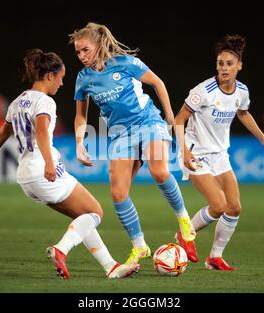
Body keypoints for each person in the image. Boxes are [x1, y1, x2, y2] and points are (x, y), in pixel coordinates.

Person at [0, 48, 139, 279]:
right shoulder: (45, 102)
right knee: (95, 212)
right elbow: (43, 131)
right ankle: (60, 249)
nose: (62, 84)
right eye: (61, 78)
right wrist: (48, 163)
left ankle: (110, 266)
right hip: (42, 169)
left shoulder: (18, 101)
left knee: (83, 217)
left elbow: (6, 128)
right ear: (50, 76)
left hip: (25, 176)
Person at [69, 22, 197, 266]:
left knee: (159, 171)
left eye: (85, 50)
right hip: (120, 134)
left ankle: (184, 220)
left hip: (147, 121)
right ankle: (139, 247)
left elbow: (157, 83)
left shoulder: (124, 63)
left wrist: (170, 117)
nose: (81, 56)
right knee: (118, 193)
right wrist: (79, 143)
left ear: (98, 45)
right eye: (77, 52)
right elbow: (81, 115)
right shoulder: (83, 78)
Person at [174, 35, 264, 270]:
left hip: (219, 154)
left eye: (229, 64)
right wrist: (184, 152)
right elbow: (178, 120)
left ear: (239, 65)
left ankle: (214, 257)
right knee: (218, 205)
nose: (224, 68)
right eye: (220, 63)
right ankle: (185, 234)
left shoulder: (241, 91)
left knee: (234, 207)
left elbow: (243, 113)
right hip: (195, 152)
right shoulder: (203, 91)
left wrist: (263, 140)